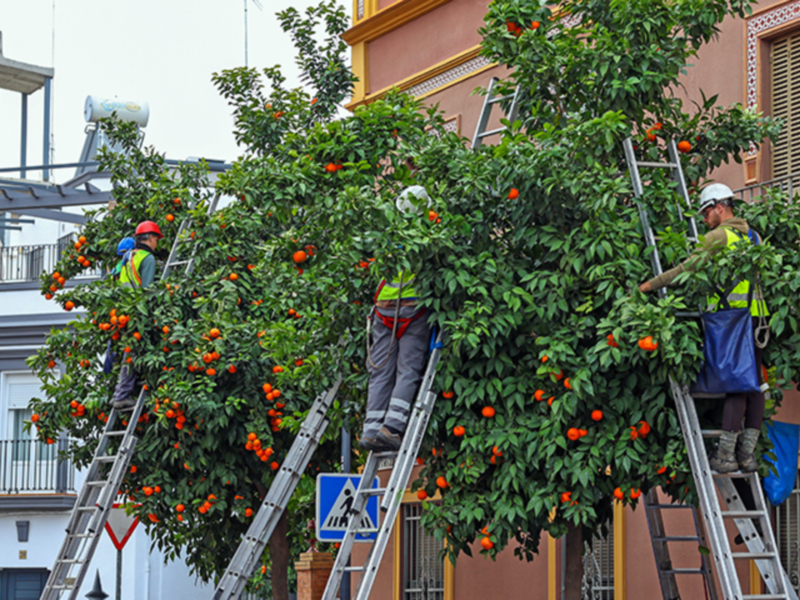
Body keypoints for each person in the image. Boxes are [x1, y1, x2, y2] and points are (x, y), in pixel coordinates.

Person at [639, 183, 769, 473]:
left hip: (733, 321)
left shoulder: (718, 235)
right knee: (756, 384)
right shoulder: (754, 237)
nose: (703, 218)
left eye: (706, 211)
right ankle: (747, 454)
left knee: (737, 383)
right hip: (759, 319)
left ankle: (725, 455)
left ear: (719, 207)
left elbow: (686, 269)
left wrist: (650, 285)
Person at [360, 182, 433, 452]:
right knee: (408, 369)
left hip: (384, 308)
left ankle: (370, 430)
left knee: (380, 371)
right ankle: (391, 427)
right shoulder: (428, 234)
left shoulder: (388, 232)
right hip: (413, 308)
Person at [111, 221, 163, 409]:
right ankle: (122, 394)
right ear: (150, 238)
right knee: (132, 352)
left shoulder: (128, 256)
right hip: (136, 312)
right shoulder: (147, 258)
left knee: (127, 351)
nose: (157, 243)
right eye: (156, 238)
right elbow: (147, 290)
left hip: (122, 311)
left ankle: (120, 391)